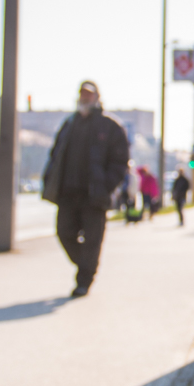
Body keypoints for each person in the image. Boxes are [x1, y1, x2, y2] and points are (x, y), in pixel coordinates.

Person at [42, 81, 130, 297]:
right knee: (64, 232)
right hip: (68, 193)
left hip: (94, 196)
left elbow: (120, 162)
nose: (85, 98)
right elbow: (55, 156)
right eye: (82, 94)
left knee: (92, 239)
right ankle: (86, 265)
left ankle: (84, 281)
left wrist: (106, 186)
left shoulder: (109, 126)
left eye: (89, 95)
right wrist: (49, 180)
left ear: (97, 98)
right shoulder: (69, 124)